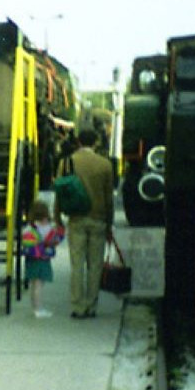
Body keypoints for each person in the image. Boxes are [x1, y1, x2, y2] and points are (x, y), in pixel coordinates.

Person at [54, 129, 115, 318]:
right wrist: (109, 223)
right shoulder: (105, 165)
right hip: (98, 219)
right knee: (95, 265)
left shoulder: (66, 163)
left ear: (78, 141)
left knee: (77, 264)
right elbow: (109, 198)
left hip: (76, 219)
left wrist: (57, 218)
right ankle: (91, 305)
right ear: (96, 142)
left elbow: (60, 193)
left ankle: (78, 306)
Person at [21, 199, 65, 318]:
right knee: (39, 285)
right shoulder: (47, 228)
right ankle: (39, 309)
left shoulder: (30, 228)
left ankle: (34, 307)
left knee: (33, 285)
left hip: (31, 259)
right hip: (42, 259)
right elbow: (56, 238)